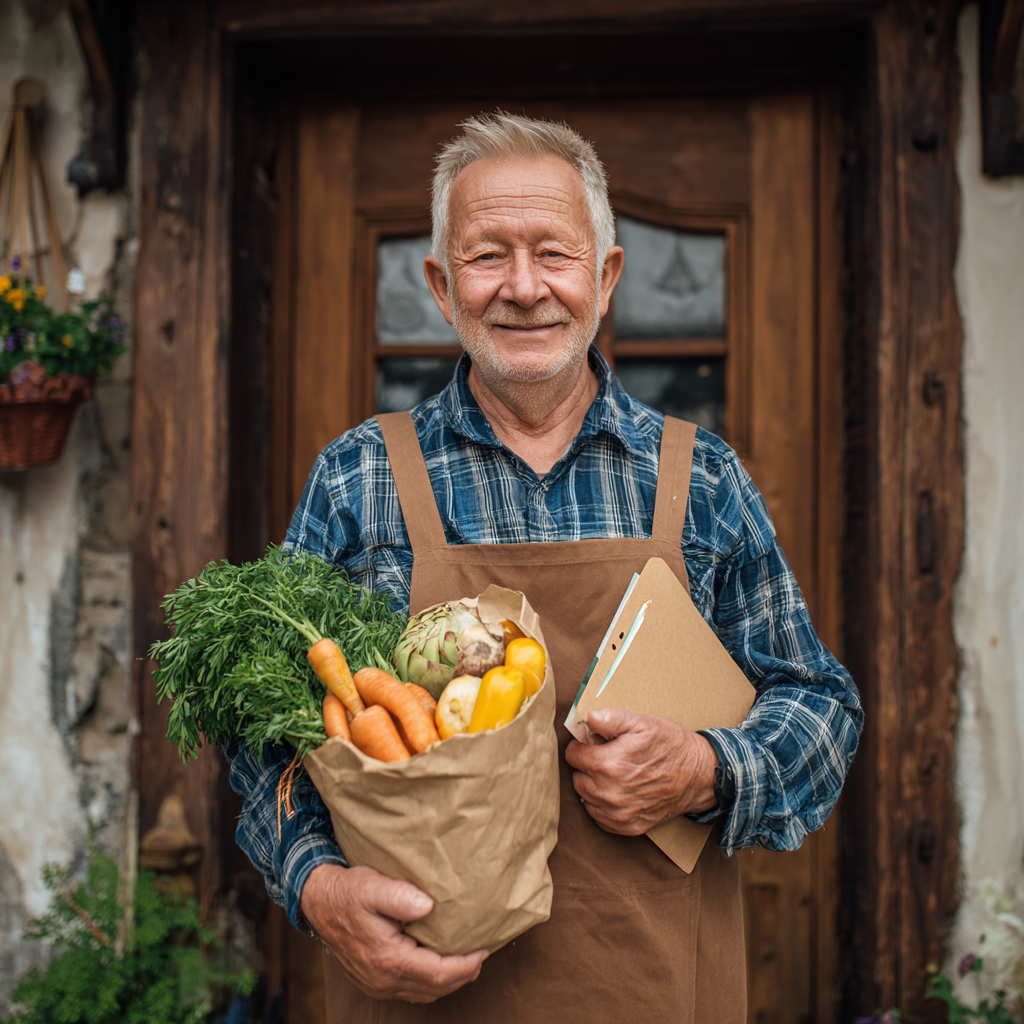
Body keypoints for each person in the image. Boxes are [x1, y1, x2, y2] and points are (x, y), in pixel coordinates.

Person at [227, 111, 862, 1023]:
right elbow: (267, 734)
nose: (524, 289)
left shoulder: (701, 475)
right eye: (488, 257)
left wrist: (708, 769)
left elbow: (820, 705)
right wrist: (318, 888)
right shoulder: (360, 476)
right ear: (442, 288)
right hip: (422, 991)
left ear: (603, 277)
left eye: (555, 255)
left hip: (656, 990)